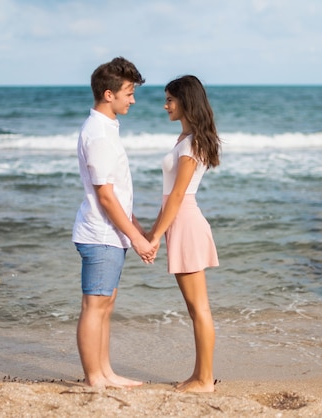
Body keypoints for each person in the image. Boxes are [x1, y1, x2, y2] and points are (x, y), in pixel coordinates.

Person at [72, 57, 156, 388]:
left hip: (111, 234)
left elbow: (117, 194)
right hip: (101, 234)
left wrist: (137, 229)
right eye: (128, 92)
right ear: (109, 94)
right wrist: (136, 238)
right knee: (94, 307)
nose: (132, 99)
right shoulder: (99, 134)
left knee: (105, 305)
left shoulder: (106, 129)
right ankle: (95, 377)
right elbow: (106, 197)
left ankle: (106, 372)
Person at [147, 75, 221, 393]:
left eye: (170, 100)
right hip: (179, 223)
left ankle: (205, 380)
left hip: (185, 223)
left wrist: (152, 236)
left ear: (185, 102)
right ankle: (199, 375)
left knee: (199, 307)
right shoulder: (185, 139)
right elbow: (171, 197)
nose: (166, 106)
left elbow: (177, 196)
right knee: (194, 308)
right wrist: (156, 231)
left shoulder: (191, 144)